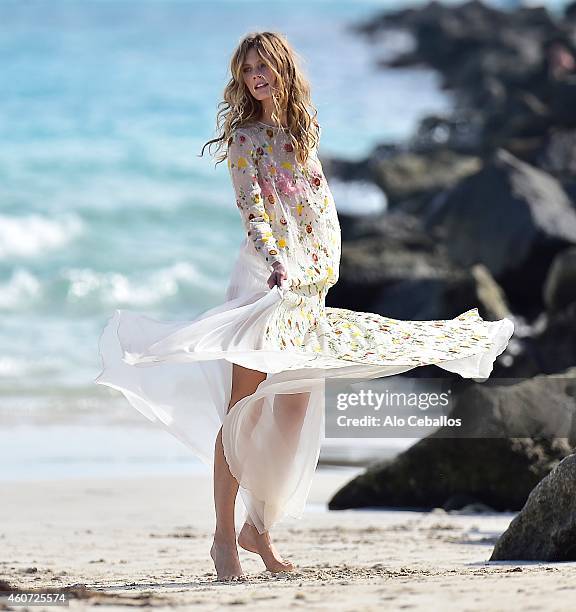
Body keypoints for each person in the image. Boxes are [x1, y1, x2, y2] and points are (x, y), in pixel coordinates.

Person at [94, 31, 515, 582]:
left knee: (292, 411)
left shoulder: (301, 131)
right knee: (241, 409)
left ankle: (258, 527)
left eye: (263, 67)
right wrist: (276, 261)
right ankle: (225, 539)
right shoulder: (246, 140)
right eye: (247, 70)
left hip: (309, 285)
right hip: (266, 282)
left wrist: (325, 266)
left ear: (283, 69)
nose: (255, 77)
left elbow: (319, 203)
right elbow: (255, 210)